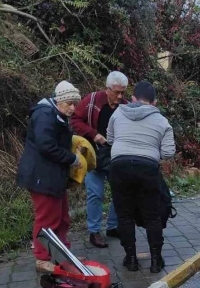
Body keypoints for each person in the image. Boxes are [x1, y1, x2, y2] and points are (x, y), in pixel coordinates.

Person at [108, 81, 176, 273]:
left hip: (119, 166)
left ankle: (131, 260)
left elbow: (110, 139)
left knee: (124, 215)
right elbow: (169, 152)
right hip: (147, 168)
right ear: (154, 102)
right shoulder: (162, 121)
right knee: (152, 216)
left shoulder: (118, 113)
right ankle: (155, 261)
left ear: (133, 98)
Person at [17, 81, 82, 273]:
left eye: (75, 104)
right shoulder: (45, 115)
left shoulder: (57, 115)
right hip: (41, 177)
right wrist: (72, 159)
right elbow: (46, 146)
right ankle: (42, 259)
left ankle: (62, 255)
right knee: (47, 219)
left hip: (54, 177)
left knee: (62, 218)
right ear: (59, 100)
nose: (72, 108)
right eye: (69, 103)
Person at [71, 71, 129, 249]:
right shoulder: (92, 100)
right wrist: (93, 134)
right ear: (107, 89)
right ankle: (94, 231)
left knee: (120, 192)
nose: (120, 96)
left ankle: (113, 226)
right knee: (95, 194)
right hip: (93, 156)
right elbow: (74, 120)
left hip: (116, 157)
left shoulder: (126, 107)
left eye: (123, 92)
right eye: (116, 92)